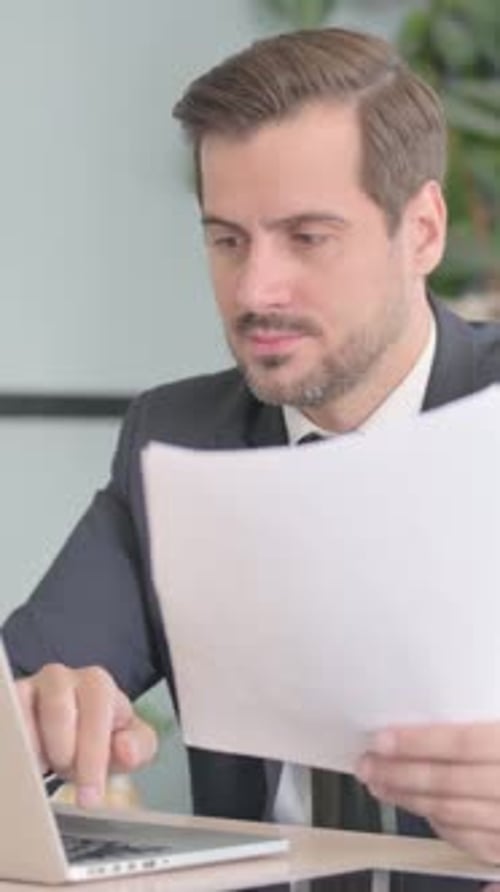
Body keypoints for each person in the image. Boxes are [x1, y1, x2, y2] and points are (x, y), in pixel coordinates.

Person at [3, 26, 500, 892]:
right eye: (228, 239)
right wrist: (38, 716)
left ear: (420, 231)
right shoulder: (179, 435)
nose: (255, 290)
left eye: (308, 238)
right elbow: (28, 685)